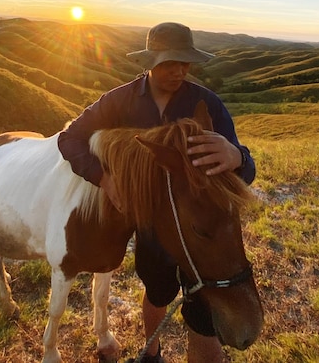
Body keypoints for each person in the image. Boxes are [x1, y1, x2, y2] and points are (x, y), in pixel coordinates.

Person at [57, 22, 256, 363]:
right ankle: (152, 353)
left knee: (202, 310)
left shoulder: (208, 103)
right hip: (152, 228)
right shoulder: (120, 100)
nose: (179, 71)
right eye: (169, 63)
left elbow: (243, 173)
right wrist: (103, 178)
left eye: (185, 63)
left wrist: (238, 156)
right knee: (156, 290)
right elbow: (70, 139)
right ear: (149, 61)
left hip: (200, 230)